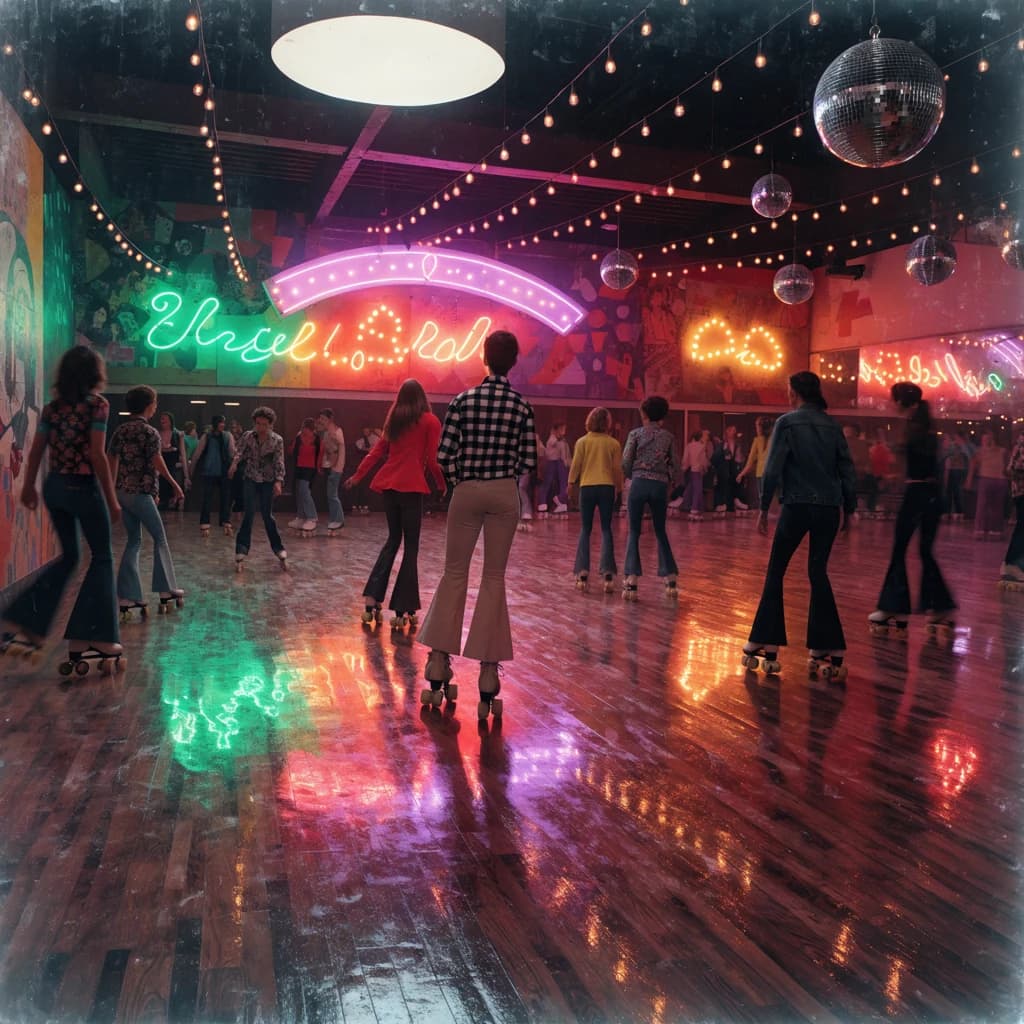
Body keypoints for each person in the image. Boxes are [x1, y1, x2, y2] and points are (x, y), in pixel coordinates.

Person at [418, 330, 536, 720]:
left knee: (454, 572)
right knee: (493, 577)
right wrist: (502, 476)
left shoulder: (463, 401)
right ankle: (487, 673)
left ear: (484, 358)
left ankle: (438, 663)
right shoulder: (521, 405)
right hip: (504, 492)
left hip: (467, 490)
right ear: (514, 362)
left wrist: (459, 480)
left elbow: (443, 454)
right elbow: (528, 462)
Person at [0, 346, 124, 673]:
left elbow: (37, 449)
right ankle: (93, 635)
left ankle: (20, 621)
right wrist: (112, 500)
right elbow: (97, 455)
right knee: (102, 556)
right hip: (83, 489)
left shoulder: (52, 410)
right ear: (94, 374)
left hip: (55, 488)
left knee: (70, 558)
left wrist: (28, 487)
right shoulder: (98, 407)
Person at [743, 371, 855, 681]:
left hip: (798, 505)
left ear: (795, 393)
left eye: (788, 391)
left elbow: (774, 466)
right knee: (818, 572)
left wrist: (764, 508)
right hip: (829, 508)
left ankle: (764, 641)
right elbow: (846, 468)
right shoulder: (833, 426)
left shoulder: (787, 423)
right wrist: (851, 508)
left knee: (776, 570)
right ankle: (828, 646)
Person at [345, 380, 445, 628]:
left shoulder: (394, 422)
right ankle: (403, 606)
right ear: (423, 397)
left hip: (389, 486)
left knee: (392, 540)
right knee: (411, 547)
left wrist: (358, 476)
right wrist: (442, 485)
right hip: (411, 487)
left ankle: (371, 598)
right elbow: (432, 461)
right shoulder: (431, 421)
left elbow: (376, 453)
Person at [869, 383, 957, 636]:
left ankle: (893, 607)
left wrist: (894, 456)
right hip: (930, 494)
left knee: (900, 549)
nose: (890, 404)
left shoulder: (915, 429)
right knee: (925, 551)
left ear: (902, 402)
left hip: (918, 494)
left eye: (893, 400)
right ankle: (941, 608)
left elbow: (911, 460)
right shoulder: (924, 427)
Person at [108, 385, 186, 617]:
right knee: (160, 538)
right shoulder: (149, 432)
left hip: (123, 493)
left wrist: (113, 489)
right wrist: (174, 484)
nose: (156, 407)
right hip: (141, 494)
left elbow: (111, 458)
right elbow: (157, 461)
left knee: (134, 541)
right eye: (155, 403)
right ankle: (166, 591)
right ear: (148, 405)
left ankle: (127, 596)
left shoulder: (120, 431)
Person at [621, 395, 680, 600]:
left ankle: (631, 580)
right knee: (660, 530)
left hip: (638, 484)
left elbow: (626, 461)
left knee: (634, 531)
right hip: (659, 486)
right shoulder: (668, 437)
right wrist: (669, 481)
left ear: (643, 413)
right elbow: (675, 465)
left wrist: (632, 475)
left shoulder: (635, 434)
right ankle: (670, 577)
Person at [568, 406, 623, 592]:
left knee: (586, 529)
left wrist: (570, 483)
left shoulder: (582, 442)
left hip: (587, 487)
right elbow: (617, 469)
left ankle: (582, 573)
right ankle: (608, 574)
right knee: (607, 529)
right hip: (606, 487)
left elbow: (576, 465)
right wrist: (619, 487)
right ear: (607, 423)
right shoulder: (613, 443)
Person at [229, 406, 288, 571]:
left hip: (268, 481)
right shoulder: (248, 436)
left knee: (267, 515)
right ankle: (241, 550)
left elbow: (279, 462)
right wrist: (234, 464)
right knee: (248, 514)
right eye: (258, 424)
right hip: (251, 478)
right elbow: (239, 452)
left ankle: (279, 549)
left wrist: (278, 481)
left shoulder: (277, 440)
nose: (260, 427)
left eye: (264, 424)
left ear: (270, 425)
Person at [190, 414, 236, 535]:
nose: (222, 424)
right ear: (215, 423)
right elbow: (197, 454)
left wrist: (233, 466)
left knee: (226, 498)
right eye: (220, 422)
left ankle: (226, 521)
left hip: (223, 471)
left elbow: (232, 453)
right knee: (207, 499)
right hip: (209, 472)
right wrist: (191, 470)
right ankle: (205, 523)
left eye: (223, 422)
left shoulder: (227, 436)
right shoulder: (207, 436)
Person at [967, 431, 1008, 537]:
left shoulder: (1001, 451)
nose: (987, 441)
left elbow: (1008, 464)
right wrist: (969, 479)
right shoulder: (981, 452)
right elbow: (973, 464)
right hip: (989, 479)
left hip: (997, 480)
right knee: (984, 506)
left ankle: (993, 530)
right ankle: (984, 529)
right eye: (985, 439)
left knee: (994, 506)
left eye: (989, 439)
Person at [998, 429, 1024, 588]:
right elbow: (1013, 469)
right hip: (1022, 492)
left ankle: (1014, 563)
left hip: (1020, 491)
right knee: (1022, 528)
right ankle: (1011, 563)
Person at [288, 417, 320, 534]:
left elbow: (320, 454)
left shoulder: (317, 439)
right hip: (299, 467)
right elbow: (292, 451)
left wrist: (319, 467)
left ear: (310, 429)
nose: (304, 430)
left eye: (306, 428)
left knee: (304, 491)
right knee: (299, 491)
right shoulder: (299, 437)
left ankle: (312, 517)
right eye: (303, 428)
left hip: (310, 469)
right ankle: (301, 517)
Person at [316, 408, 345, 533]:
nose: (321, 421)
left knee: (332, 495)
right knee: (331, 495)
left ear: (330, 419)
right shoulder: (328, 432)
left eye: (324, 419)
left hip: (335, 467)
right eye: (320, 418)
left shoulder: (334, 432)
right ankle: (335, 520)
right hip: (332, 467)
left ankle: (338, 520)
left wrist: (332, 466)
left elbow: (334, 452)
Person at [672, 429, 711, 520]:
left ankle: (686, 505)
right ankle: (695, 509)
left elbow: (685, 459)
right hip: (698, 470)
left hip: (691, 470)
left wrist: (683, 468)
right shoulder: (702, 447)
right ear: (700, 437)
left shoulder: (689, 446)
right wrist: (705, 468)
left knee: (690, 488)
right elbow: (703, 461)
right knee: (697, 490)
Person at [738, 416, 773, 507]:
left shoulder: (758, 440)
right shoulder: (774, 439)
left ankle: (764, 516)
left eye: (757, 426)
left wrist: (742, 474)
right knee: (770, 497)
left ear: (761, 427)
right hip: (772, 473)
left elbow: (750, 461)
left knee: (763, 497)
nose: (756, 428)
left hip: (762, 473)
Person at [157, 412, 188, 511]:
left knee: (173, 495)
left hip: (173, 468)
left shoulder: (178, 434)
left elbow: (183, 454)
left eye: (165, 419)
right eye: (161, 419)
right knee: (161, 495)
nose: (163, 421)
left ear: (170, 421)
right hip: (160, 468)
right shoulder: (157, 433)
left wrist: (186, 475)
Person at [712, 424, 746, 514]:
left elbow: (739, 457)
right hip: (723, 470)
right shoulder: (722, 444)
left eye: (735, 430)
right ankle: (722, 503)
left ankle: (733, 502)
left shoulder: (737, 444)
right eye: (732, 430)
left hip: (733, 469)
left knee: (735, 483)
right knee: (723, 485)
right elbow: (716, 457)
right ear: (727, 431)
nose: (734, 432)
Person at [538, 422, 570, 514]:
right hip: (552, 462)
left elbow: (564, 454)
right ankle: (543, 502)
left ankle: (561, 500)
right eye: (562, 429)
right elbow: (553, 444)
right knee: (547, 482)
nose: (563, 431)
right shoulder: (553, 438)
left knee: (563, 482)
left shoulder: (562, 441)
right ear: (557, 429)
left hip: (559, 462)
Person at [941, 430, 972, 520]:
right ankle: (952, 512)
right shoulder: (954, 446)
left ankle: (956, 512)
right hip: (954, 470)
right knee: (951, 491)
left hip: (957, 470)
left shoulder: (959, 446)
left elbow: (967, 457)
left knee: (955, 491)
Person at [352, 425, 382, 514]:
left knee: (368, 486)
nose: (365, 431)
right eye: (363, 430)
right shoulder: (360, 441)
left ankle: (366, 506)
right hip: (362, 466)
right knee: (360, 486)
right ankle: (358, 505)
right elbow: (360, 449)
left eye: (367, 429)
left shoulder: (376, 439)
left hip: (373, 466)